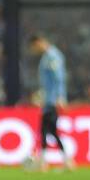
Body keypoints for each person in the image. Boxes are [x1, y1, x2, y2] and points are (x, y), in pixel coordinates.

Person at [29, 34, 74, 171]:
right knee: (49, 131)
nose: (34, 50)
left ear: (39, 42)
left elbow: (58, 78)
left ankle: (45, 162)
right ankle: (62, 161)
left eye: (34, 47)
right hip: (49, 99)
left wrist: (60, 97)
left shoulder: (53, 56)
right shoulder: (48, 56)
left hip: (52, 100)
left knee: (46, 130)